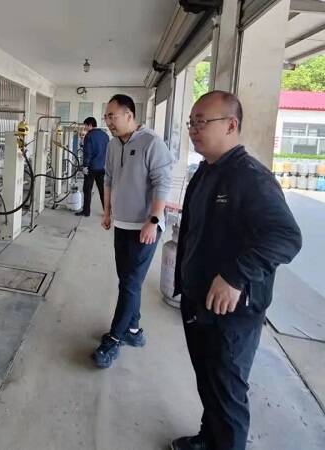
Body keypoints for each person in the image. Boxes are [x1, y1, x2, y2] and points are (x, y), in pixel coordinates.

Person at [171, 91, 302, 450]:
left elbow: (286, 236)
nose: (193, 129)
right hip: (200, 300)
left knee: (227, 391)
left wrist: (235, 275)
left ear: (231, 125)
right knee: (209, 382)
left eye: (201, 122)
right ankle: (208, 438)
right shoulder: (206, 171)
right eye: (191, 122)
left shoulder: (250, 178)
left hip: (231, 313)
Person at [93, 94, 173, 368]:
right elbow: (108, 178)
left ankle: (114, 339)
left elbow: (163, 182)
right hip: (122, 223)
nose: (108, 121)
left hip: (145, 227)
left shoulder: (152, 142)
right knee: (127, 280)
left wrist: (154, 219)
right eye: (106, 116)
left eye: (112, 116)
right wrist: (107, 212)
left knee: (130, 283)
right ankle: (134, 330)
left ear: (129, 115)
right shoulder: (113, 144)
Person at [76, 116, 109, 217]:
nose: (85, 128)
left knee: (87, 190)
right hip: (102, 167)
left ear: (90, 125)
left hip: (91, 168)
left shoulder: (89, 136)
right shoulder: (105, 135)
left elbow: (88, 152)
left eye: (85, 126)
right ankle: (107, 212)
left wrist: (85, 166)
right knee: (103, 191)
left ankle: (86, 212)